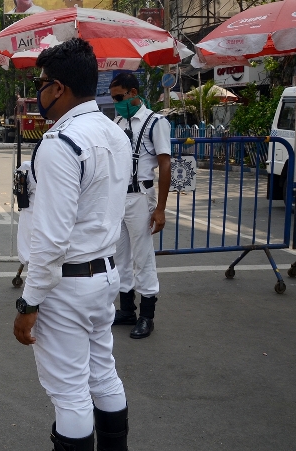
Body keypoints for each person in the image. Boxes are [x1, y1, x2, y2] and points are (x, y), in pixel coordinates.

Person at [12, 38, 131, 450]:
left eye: (42, 83)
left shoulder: (62, 143)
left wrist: (28, 304)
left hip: (66, 285)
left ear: (58, 88)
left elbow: (51, 240)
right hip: (104, 276)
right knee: (103, 375)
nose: (38, 93)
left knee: (70, 395)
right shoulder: (113, 134)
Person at [108, 72, 171, 339]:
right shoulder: (118, 121)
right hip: (117, 198)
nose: (116, 103)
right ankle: (126, 310)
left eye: (119, 97)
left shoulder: (155, 122)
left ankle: (147, 316)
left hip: (140, 197)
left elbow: (165, 163)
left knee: (143, 258)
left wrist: (160, 209)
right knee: (119, 256)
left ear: (133, 93)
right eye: (113, 99)